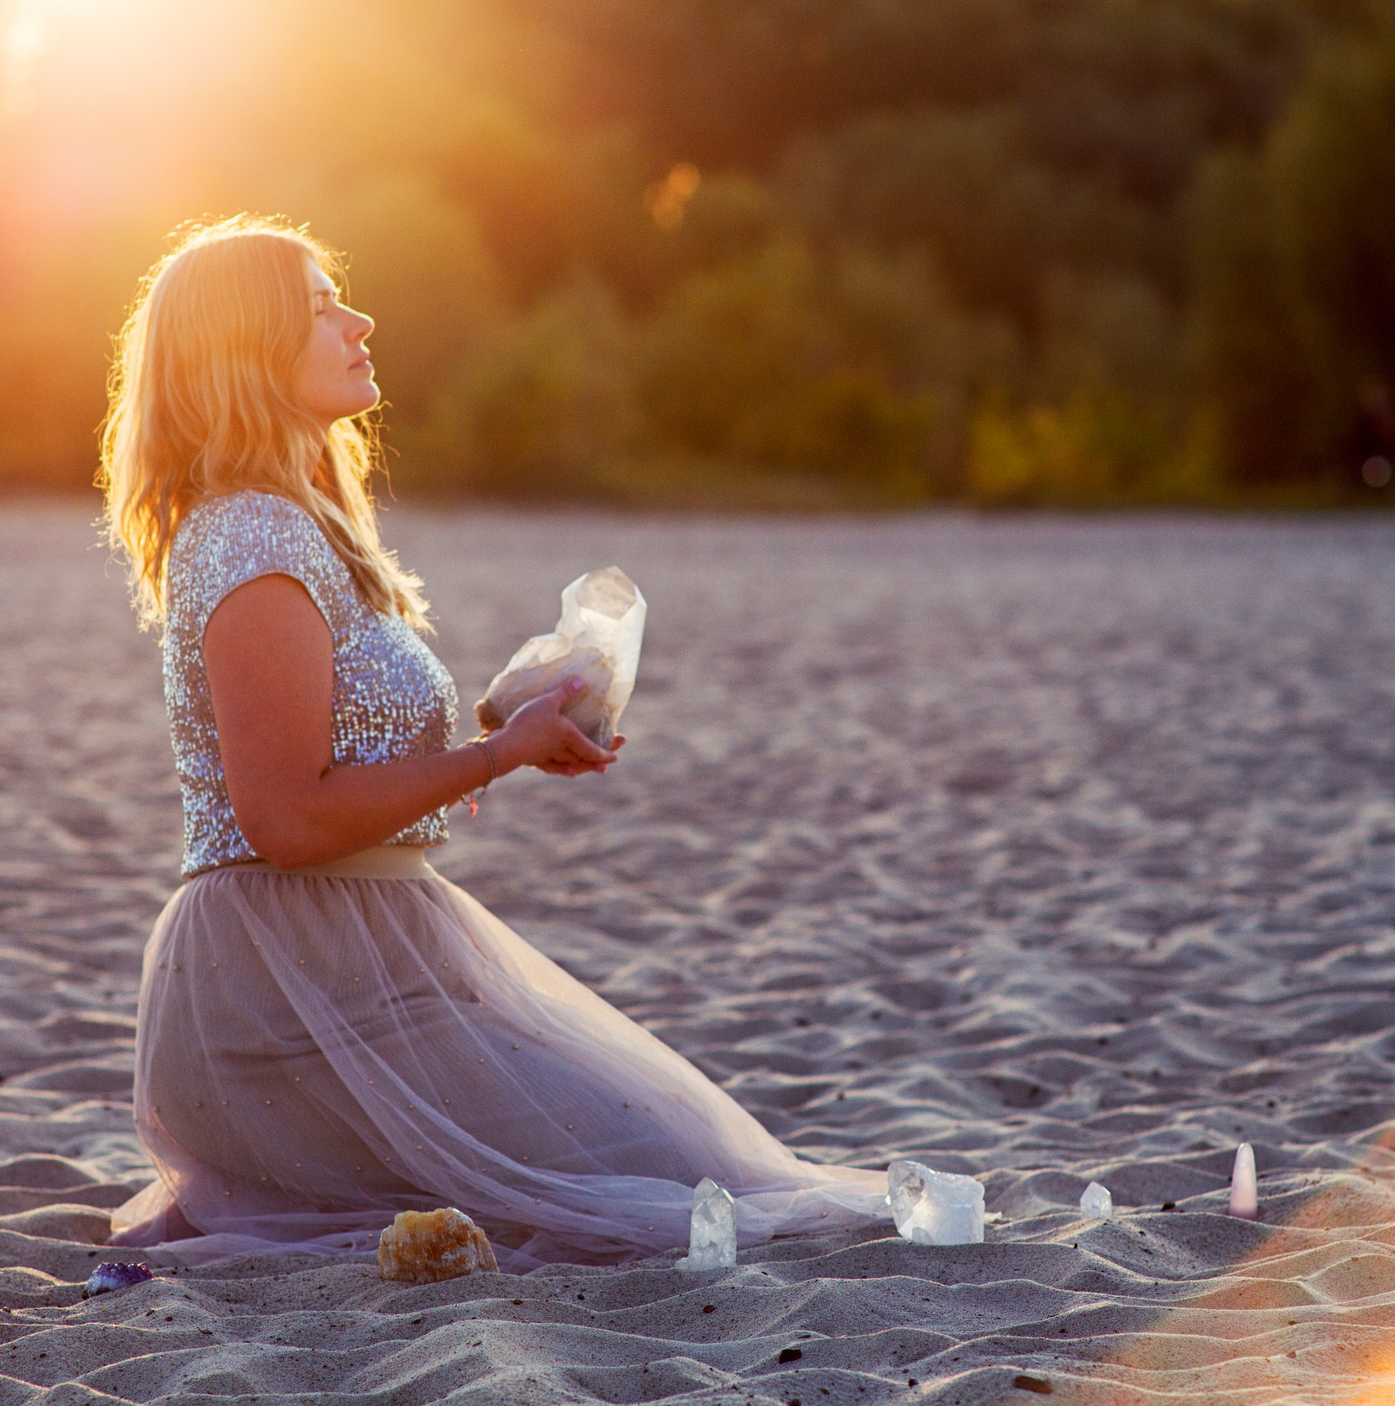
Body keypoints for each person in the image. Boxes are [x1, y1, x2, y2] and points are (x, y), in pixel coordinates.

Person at [100, 215, 888, 1268]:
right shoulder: (250, 535)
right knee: (655, 1184)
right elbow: (284, 817)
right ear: (246, 348)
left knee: (677, 1160)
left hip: (366, 959)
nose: (360, 319)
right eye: (321, 304)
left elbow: (341, 739)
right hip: (282, 995)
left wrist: (505, 715)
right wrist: (495, 755)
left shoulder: (295, 521)